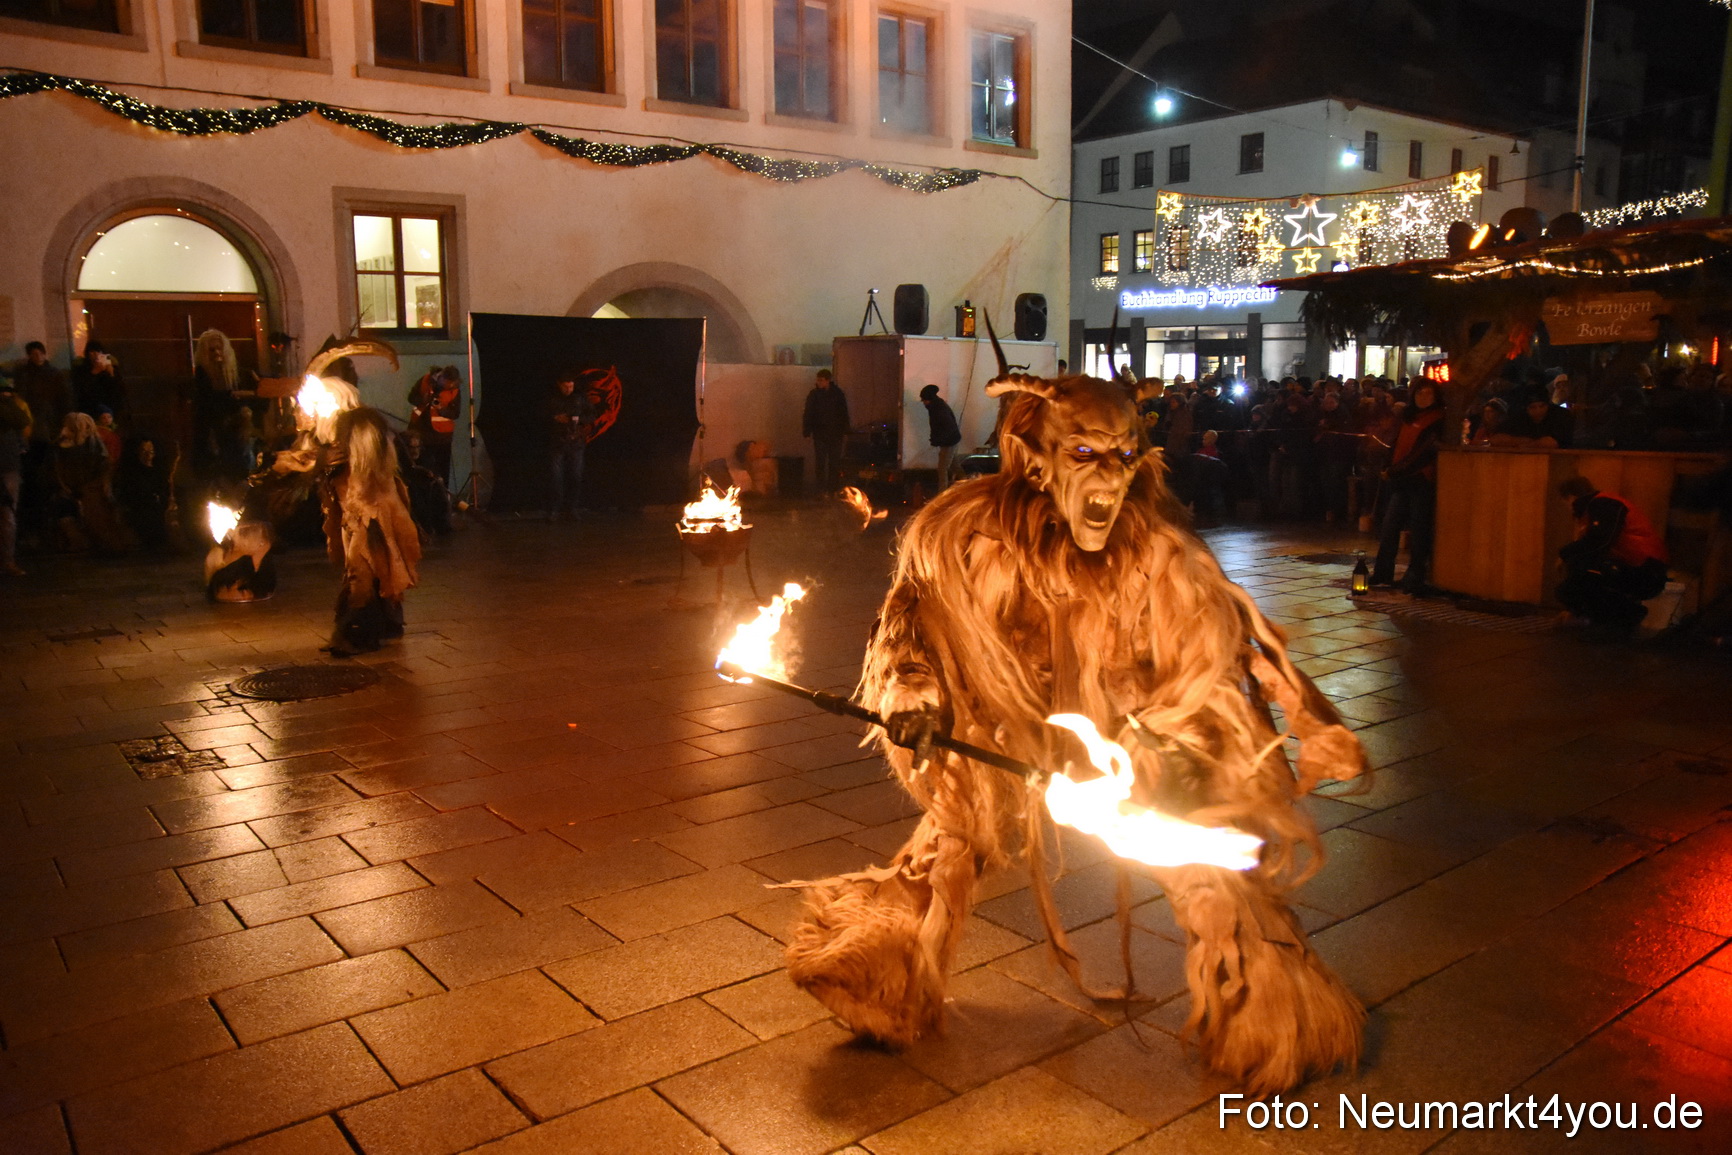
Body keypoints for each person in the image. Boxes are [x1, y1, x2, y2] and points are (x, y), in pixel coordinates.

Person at [322, 408, 421, 655]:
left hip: (373, 515)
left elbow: (377, 479)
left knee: (366, 571)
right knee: (367, 570)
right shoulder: (346, 450)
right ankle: (385, 626)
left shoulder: (371, 441)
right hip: (356, 516)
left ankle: (357, 635)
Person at [1555, 477, 1669, 630]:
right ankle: (1602, 621)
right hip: (1640, 566)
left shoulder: (1603, 504)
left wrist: (1564, 555)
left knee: (1577, 581)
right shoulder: (1598, 507)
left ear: (1569, 497)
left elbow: (1598, 541)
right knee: (1577, 577)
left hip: (1645, 569)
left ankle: (1622, 617)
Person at [1370, 380, 1444, 593]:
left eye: (1429, 394)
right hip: (1401, 482)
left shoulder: (1436, 419)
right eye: (1420, 393)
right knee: (1389, 528)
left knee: (1419, 531)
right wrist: (1388, 465)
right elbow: (1396, 445)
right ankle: (1383, 572)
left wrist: (1395, 470)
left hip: (1420, 480)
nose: (1423, 398)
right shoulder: (1408, 417)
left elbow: (1422, 453)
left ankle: (1415, 576)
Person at [52, 412, 125, 553]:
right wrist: (64, 486)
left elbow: (102, 464)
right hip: (72, 486)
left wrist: (103, 482)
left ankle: (111, 545)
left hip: (91, 484)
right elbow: (57, 468)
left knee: (97, 516)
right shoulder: (61, 446)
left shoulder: (92, 442)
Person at [548, 371, 596, 520]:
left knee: (575, 476)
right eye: (565, 387)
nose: (569, 389)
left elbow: (592, 414)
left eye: (571, 386)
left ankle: (573, 508)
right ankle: (554, 509)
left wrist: (579, 420)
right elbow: (541, 415)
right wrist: (555, 418)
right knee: (556, 477)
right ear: (559, 385)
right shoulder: (552, 399)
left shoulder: (580, 398)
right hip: (557, 442)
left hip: (576, 443)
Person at [113, 436, 174, 551]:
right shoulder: (131, 473)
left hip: (159, 504)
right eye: (144, 451)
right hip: (140, 507)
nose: (148, 455)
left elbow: (165, 489)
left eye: (150, 451)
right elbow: (128, 494)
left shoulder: (159, 470)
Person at [407, 365, 461, 483]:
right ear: (442, 377)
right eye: (448, 383)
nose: (450, 386)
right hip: (421, 433)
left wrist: (441, 409)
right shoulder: (425, 380)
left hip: (443, 438)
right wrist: (423, 400)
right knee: (421, 471)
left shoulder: (455, 390)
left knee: (442, 473)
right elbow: (411, 398)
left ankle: (442, 498)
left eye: (453, 384)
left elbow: (456, 413)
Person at [801, 369, 850, 494]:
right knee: (821, 462)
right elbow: (808, 414)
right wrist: (807, 431)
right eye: (818, 380)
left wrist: (845, 430)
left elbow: (843, 413)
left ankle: (832, 488)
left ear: (828, 380)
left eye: (821, 380)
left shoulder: (836, 394)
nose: (818, 382)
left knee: (834, 462)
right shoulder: (817, 395)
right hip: (822, 433)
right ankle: (822, 488)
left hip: (833, 433)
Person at [0, 374, 30, 575]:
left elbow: (21, 420)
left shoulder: (8, 407)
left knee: (7, 514)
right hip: (7, 464)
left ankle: (7, 561)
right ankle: (7, 561)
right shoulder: (7, 406)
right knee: (7, 515)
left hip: (7, 464)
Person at [1493, 391, 1573, 449]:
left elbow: (1552, 443)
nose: (1538, 411)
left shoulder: (1560, 414)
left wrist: (1525, 445)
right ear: (1526, 408)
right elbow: (1495, 439)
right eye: (1532, 407)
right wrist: (1524, 441)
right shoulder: (1519, 416)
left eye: (1542, 406)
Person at [918, 384, 961, 490]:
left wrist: (937, 440)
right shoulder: (936, 406)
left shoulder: (938, 409)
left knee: (942, 469)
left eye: (924, 400)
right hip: (951, 440)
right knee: (955, 466)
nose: (924, 402)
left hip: (948, 442)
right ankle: (967, 486)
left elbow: (946, 427)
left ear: (930, 399)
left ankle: (942, 495)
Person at [72, 341, 126, 420]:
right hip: (90, 408)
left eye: (99, 351)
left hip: (110, 407)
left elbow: (119, 390)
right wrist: (94, 372)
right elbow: (81, 390)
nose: (96, 355)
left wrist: (111, 374)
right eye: (92, 352)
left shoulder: (111, 367)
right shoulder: (81, 369)